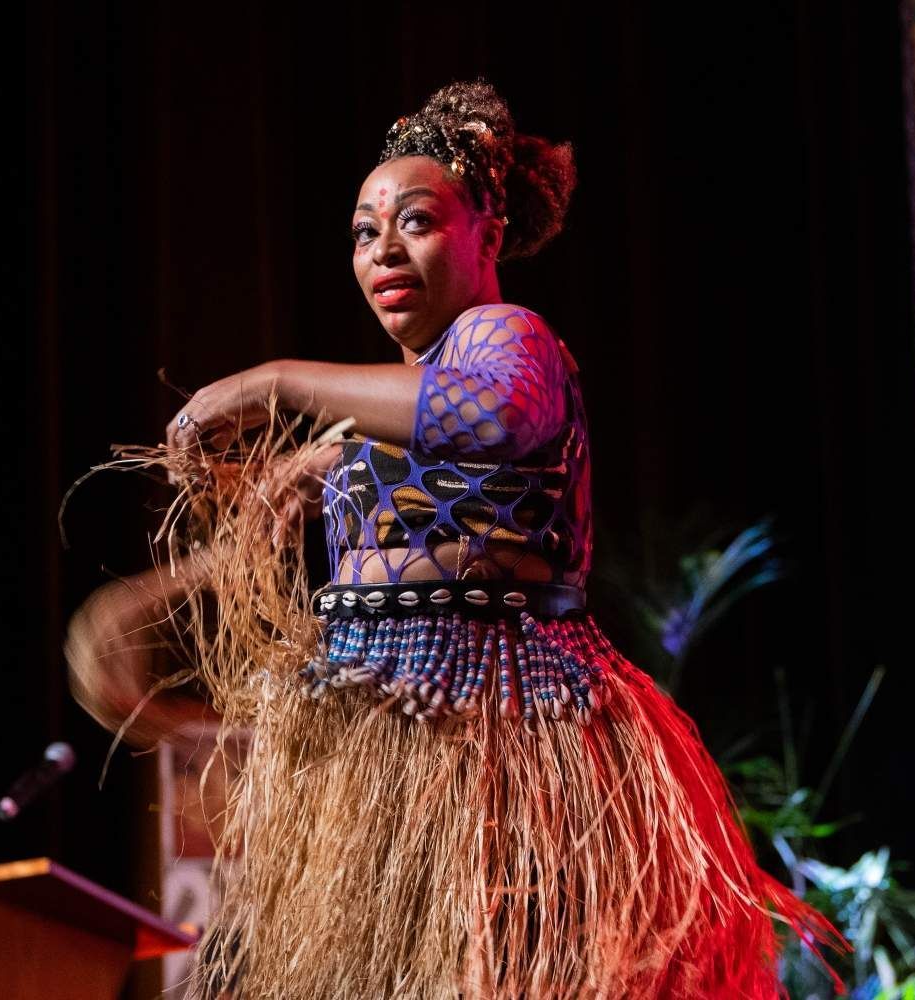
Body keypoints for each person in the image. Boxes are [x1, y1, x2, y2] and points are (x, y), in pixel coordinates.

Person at [66, 79, 842, 999]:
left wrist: (274, 378)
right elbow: (290, 523)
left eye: (416, 221)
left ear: (488, 232)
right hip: (386, 766)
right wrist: (143, 619)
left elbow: (497, 414)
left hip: (502, 749)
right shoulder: (373, 427)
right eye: (363, 231)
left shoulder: (509, 339)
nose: (383, 248)